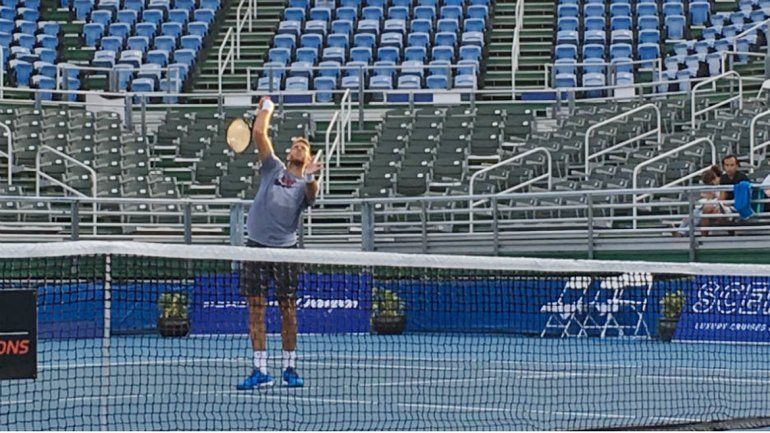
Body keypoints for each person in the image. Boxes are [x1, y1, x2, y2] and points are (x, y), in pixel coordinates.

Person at [236, 96, 321, 390]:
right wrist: (267, 107)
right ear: (288, 153)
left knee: (288, 309)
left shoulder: (306, 182)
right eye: (296, 146)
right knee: (255, 309)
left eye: (304, 148)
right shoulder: (272, 168)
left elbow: (311, 195)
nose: (299, 149)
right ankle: (260, 369)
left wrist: (310, 177)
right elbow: (259, 133)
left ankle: (289, 367)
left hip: (286, 250)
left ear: (308, 159)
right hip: (256, 246)